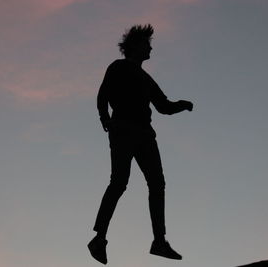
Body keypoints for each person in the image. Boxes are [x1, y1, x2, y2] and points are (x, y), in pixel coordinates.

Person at [88, 24, 193, 264]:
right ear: (135, 45)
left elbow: (164, 106)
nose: (151, 47)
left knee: (157, 184)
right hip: (123, 128)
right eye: (147, 43)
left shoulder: (146, 79)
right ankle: (99, 239)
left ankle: (159, 241)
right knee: (119, 182)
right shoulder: (118, 67)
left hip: (145, 134)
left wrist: (182, 105)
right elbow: (102, 95)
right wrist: (105, 119)